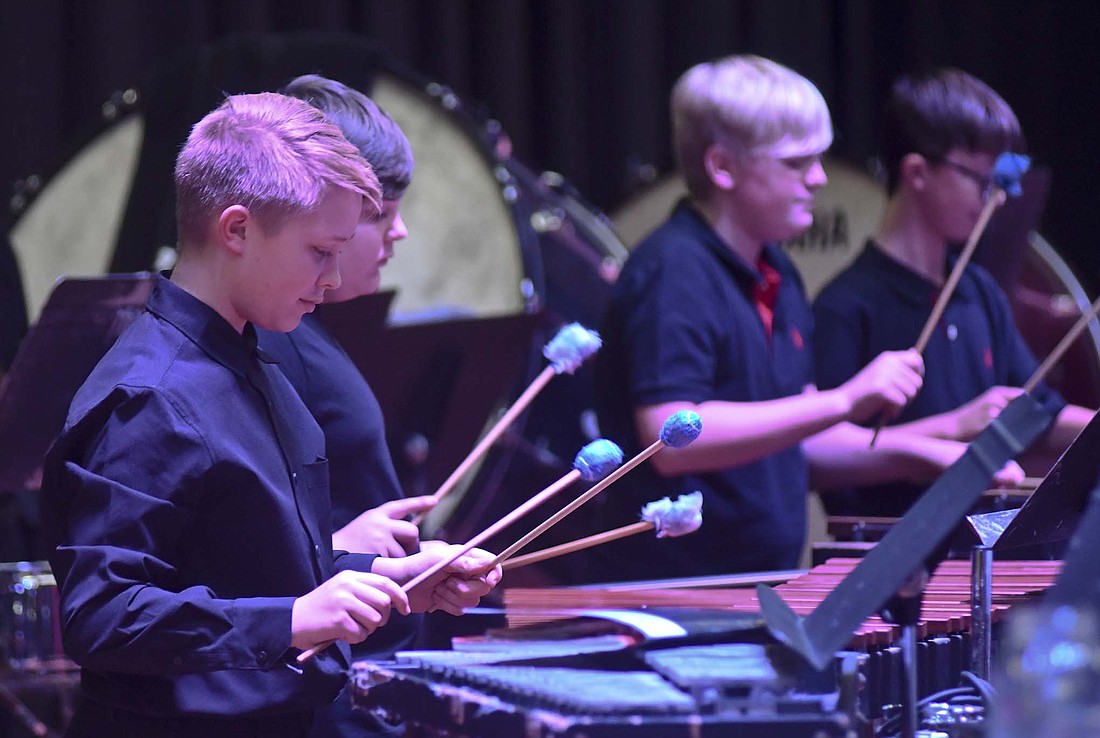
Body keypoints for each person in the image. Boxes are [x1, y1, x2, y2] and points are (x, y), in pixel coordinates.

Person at [42, 92, 501, 738]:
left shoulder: (256, 367)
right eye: (319, 252)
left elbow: (256, 569)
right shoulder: (150, 395)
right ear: (236, 230)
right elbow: (104, 612)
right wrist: (291, 620)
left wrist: (394, 581)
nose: (335, 278)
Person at [590, 55, 1017, 582]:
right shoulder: (675, 270)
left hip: (754, 581)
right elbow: (671, 437)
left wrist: (937, 452)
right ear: (723, 167)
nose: (818, 179)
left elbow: (806, 441)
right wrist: (845, 399)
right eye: (796, 163)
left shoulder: (779, 272)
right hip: (671, 590)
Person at [812, 68, 1094, 516]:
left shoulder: (977, 291)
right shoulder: (845, 307)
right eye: (983, 181)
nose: (996, 198)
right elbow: (819, 462)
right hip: (884, 558)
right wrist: (953, 429)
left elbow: (1036, 414)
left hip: (977, 546)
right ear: (918, 173)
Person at [256, 74, 432, 738]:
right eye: (381, 213)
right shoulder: (275, 337)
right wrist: (334, 550)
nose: (400, 232)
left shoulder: (305, 330)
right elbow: (226, 554)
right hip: (322, 696)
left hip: (357, 677)